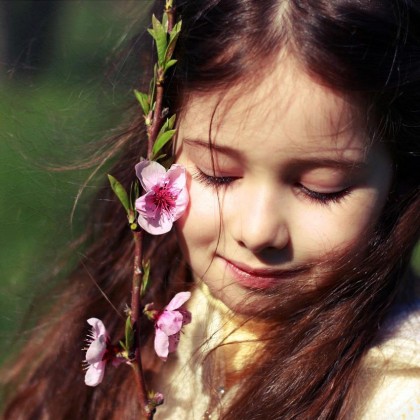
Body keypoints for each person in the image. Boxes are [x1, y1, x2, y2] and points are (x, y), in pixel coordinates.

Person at [2, 0, 420, 418]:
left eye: (321, 188)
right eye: (218, 175)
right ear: (160, 146)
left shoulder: (396, 398)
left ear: (400, 176)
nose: (257, 231)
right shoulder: (142, 316)